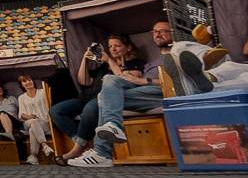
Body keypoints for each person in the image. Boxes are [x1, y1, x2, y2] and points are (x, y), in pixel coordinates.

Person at [68, 20, 173, 169]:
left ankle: (102, 152)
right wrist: (85, 59)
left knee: (104, 96)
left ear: (174, 33)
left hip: (163, 92)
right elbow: (84, 81)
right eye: (155, 31)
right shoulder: (152, 62)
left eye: (163, 31)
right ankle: (112, 127)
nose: (157, 34)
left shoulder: (178, 52)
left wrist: (141, 80)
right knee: (108, 84)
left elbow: (174, 81)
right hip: (141, 93)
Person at [50, 43, 109, 160]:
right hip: (84, 98)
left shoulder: (118, 66)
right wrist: (85, 59)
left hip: (99, 99)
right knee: (55, 111)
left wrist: (108, 60)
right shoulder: (101, 68)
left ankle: (77, 149)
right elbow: (83, 81)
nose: (114, 49)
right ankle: (82, 142)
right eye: (111, 47)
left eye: (117, 46)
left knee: (89, 108)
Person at [15, 73, 54, 164]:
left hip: (44, 122)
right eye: (24, 81)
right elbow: (21, 114)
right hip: (28, 122)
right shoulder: (21, 97)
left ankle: (33, 155)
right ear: (21, 85)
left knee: (33, 129)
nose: (28, 82)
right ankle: (44, 145)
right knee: (33, 122)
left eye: (29, 80)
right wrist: (29, 116)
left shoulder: (43, 92)